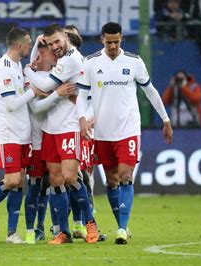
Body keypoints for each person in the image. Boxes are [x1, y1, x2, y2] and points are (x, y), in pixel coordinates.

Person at [76, 22, 173, 244]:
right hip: (102, 133)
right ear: (102, 39)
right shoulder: (91, 63)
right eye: (109, 42)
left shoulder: (134, 61)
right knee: (111, 182)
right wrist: (82, 119)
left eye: (116, 42)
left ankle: (121, 228)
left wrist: (165, 120)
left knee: (125, 176)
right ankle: (123, 225)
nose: (112, 46)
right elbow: (81, 95)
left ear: (121, 39)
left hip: (128, 130)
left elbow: (150, 91)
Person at [24, 24, 99, 245]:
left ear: (66, 38)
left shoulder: (71, 60)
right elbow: (40, 62)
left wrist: (26, 69)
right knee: (55, 180)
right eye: (50, 44)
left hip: (69, 126)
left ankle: (90, 222)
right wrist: (35, 59)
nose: (54, 47)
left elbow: (45, 83)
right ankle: (63, 233)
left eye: (57, 41)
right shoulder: (56, 61)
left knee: (69, 177)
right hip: (50, 128)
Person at [0, 28, 45, 244]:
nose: (29, 47)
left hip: (22, 133)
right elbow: (10, 104)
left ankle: (11, 233)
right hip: (8, 133)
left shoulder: (17, 65)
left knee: (18, 183)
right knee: (11, 179)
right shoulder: (3, 68)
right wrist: (32, 92)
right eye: (28, 44)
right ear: (19, 46)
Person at [24, 40, 77, 244]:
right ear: (39, 55)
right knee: (36, 186)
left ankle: (60, 229)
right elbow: (37, 108)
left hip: (56, 134)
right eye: (47, 51)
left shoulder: (58, 75)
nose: (54, 55)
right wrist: (57, 94)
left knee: (58, 182)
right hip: (36, 140)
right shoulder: (33, 77)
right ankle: (32, 230)